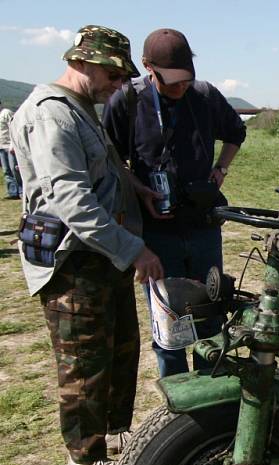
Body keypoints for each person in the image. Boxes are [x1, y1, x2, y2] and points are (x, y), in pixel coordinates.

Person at [11, 25, 164, 465]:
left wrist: (134, 187)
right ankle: (84, 456)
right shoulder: (50, 115)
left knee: (119, 352)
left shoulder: (80, 110)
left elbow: (105, 169)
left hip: (103, 257)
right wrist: (136, 250)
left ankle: (116, 434)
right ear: (83, 62)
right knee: (83, 363)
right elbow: (70, 201)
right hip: (74, 262)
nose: (118, 85)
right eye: (114, 74)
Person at [103, 28, 246, 377]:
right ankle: (179, 399)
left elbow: (236, 132)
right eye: (171, 82)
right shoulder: (127, 101)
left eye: (185, 80)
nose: (180, 88)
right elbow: (110, 159)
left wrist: (220, 170)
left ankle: (212, 391)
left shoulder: (205, 95)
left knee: (210, 312)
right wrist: (138, 187)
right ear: (147, 67)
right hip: (157, 232)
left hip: (202, 227)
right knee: (169, 324)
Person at [0, 99, 22, 199]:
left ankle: (22, 190)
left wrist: (13, 144)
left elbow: (14, 127)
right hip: (1, 147)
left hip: (10, 146)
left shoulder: (6, 113)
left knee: (15, 169)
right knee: (6, 171)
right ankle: (13, 193)